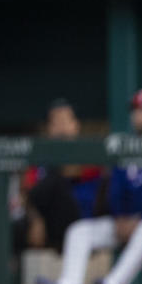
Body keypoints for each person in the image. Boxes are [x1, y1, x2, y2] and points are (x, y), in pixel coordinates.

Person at [43, 89, 142, 284]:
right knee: (79, 231)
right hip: (129, 223)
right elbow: (116, 193)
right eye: (136, 110)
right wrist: (121, 217)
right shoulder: (126, 147)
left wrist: (139, 218)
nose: (139, 115)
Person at [20, 100, 102, 253]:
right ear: (48, 128)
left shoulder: (90, 155)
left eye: (66, 121)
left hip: (84, 218)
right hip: (48, 222)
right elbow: (27, 194)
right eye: (56, 122)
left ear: (76, 125)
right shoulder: (39, 160)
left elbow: (73, 173)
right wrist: (36, 219)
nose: (62, 127)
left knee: (57, 181)